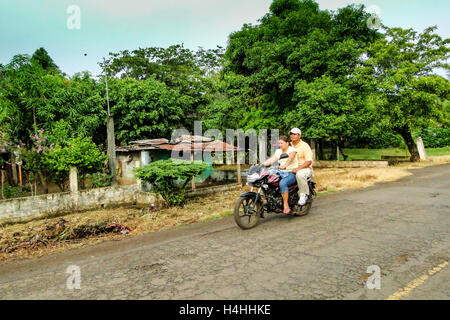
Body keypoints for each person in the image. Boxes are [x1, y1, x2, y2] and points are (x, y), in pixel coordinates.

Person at [263, 136, 298, 214]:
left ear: (287, 143)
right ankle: (273, 201)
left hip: (291, 172)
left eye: (281, 143)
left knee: (282, 183)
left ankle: (286, 205)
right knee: (269, 180)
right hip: (281, 172)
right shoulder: (278, 151)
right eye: (279, 143)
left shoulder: (292, 149)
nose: (280, 145)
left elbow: (290, 158)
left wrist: (285, 165)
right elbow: (272, 160)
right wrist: (262, 164)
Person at [289, 128, 313, 206]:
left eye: (294, 134)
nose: (292, 136)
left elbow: (309, 161)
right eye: (291, 134)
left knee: (300, 174)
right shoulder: (288, 145)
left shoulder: (304, 146)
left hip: (304, 169)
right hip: (290, 168)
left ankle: (304, 194)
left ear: (299, 135)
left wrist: (298, 168)